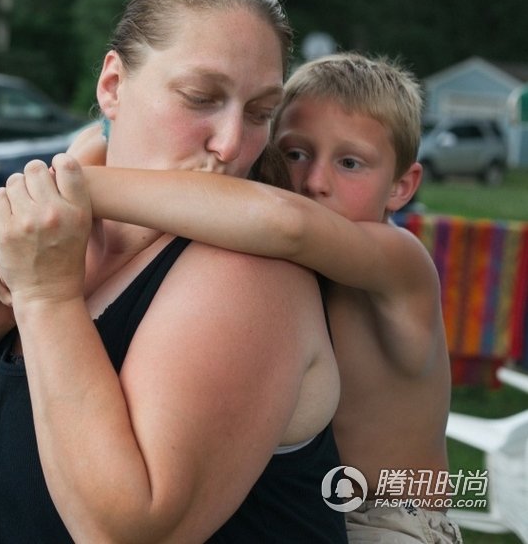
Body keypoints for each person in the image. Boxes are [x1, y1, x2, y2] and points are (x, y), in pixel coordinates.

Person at [0, 0, 346, 542]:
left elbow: (127, 532)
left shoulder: (250, 275)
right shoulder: (54, 231)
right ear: (112, 86)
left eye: (258, 113)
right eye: (201, 98)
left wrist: (47, 299)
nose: (230, 144)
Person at [70, 53, 462, 543]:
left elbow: (289, 226)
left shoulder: (398, 262)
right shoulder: (281, 261)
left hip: (388, 520)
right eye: (296, 153)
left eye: (350, 163)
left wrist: (75, 188)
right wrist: (93, 149)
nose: (315, 181)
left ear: (402, 186)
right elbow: (95, 138)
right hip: (300, 502)